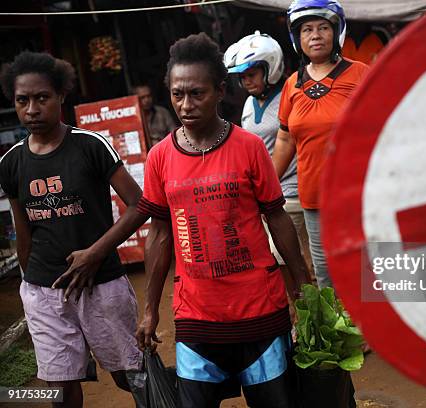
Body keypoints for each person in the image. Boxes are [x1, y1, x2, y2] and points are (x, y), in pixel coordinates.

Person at [135, 32, 310, 408]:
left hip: (260, 312)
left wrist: (301, 282)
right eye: (177, 94)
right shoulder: (160, 158)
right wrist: (149, 309)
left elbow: (277, 218)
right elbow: (160, 234)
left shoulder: (249, 147)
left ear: (219, 91)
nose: (186, 104)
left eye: (197, 93)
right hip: (196, 317)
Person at [0, 51, 148, 408]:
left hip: (102, 284)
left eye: (41, 98)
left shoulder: (90, 146)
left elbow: (139, 205)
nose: (32, 109)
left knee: (130, 377)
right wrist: (29, 281)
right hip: (45, 290)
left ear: (61, 96)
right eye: (23, 101)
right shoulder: (11, 162)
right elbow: (24, 231)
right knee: (60, 388)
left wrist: (95, 254)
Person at [273, 0, 369, 288]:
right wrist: (263, 186)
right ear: (297, 39)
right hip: (313, 198)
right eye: (307, 30)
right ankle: (338, 333)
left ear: (337, 32)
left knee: (365, 266)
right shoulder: (292, 84)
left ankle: (374, 330)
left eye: (323, 28)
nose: (315, 35)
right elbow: (285, 139)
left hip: (356, 196)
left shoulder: (360, 74)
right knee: (326, 272)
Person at [224, 31, 312, 282]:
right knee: (284, 261)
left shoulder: (292, 93)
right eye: (242, 77)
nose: (246, 82)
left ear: (270, 68)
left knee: (297, 261)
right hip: (266, 197)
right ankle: (303, 316)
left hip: (292, 193)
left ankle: (314, 316)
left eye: (251, 74)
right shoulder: (250, 104)